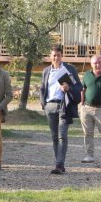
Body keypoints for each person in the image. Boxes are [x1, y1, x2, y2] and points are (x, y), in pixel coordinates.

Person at [39, 45, 82, 175]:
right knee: (54, 137)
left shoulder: (69, 69)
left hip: (64, 105)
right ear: (50, 56)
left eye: (58, 55)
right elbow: (42, 88)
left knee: (62, 135)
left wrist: (68, 88)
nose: (56, 57)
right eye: (54, 55)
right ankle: (57, 161)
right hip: (50, 106)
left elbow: (79, 86)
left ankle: (59, 164)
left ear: (61, 56)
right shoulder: (46, 71)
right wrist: (43, 104)